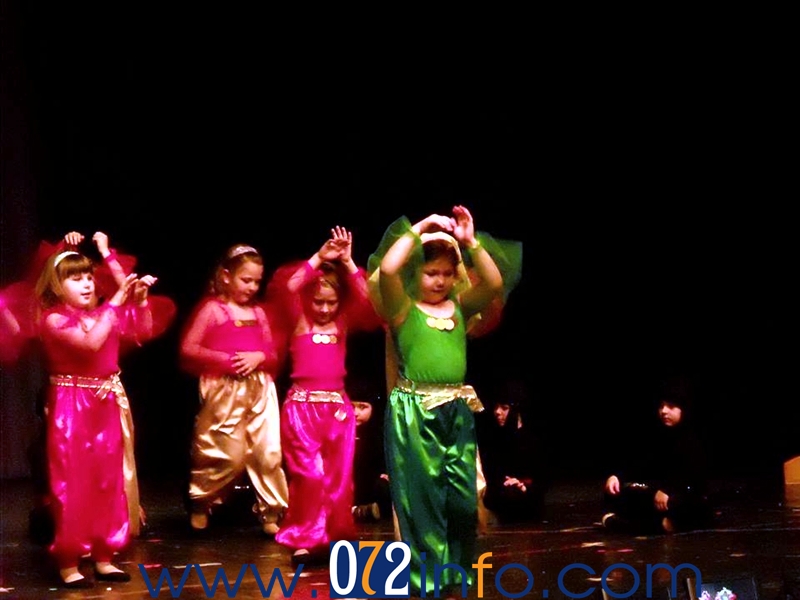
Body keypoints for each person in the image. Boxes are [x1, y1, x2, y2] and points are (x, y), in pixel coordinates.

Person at [366, 205, 522, 597]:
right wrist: (420, 229)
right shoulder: (403, 310)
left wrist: (470, 243)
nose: (439, 280)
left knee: (461, 502)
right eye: (431, 272)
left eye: (447, 273)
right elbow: (388, 269)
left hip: (456, 411)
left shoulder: (459, 308)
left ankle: (454, 572)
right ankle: (426, 579)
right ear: (416, 273)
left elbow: (493, 282)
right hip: (415, 412)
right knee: (424, 502)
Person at [33, 238, 165, 587]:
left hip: (105, 402)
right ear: (56, 285)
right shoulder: (53, 319)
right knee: (73, 482)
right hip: (72, 405)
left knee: (107, 480)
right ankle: (69, 561)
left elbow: (143, 330)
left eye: (89, 276)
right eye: (76, 278)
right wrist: (118, 301)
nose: (87, 283)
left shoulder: (100, 315)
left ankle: (104, 554)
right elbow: (89, 344)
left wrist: (139, 301)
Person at [264, 226, 382, 566]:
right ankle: (305, 538)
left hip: (338, 411)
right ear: (308, 300)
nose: (325, 309)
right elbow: (288, 288)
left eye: (331, 302)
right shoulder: (300, 321)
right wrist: (319, 257)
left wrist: (348, 263)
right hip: (302, 410)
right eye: (318, 301)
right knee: (310, 477)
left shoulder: (341, 322)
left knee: (339, 480)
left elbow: (368, 301)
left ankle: (335, 537)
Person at [179, 243, 289, 536]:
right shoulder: (213, 310)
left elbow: (273, 354)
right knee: (226, 453)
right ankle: (202, 501)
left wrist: (259, 356)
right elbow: (189, 348)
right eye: (246, 280)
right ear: (226, 276)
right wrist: (227, 360)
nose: (252, 287)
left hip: (260, 389)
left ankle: (270, 511)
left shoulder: (259, 313)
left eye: (256, 282)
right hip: (224, 390)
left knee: (268, 452)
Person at [601, 375, 713, 535]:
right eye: (661, 406)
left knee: (687, 506)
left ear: (683, 410)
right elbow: (640, 463)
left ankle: (641, 526)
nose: (664, 411)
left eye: (671, 406)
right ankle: (658, 523)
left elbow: (693, 476)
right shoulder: (658, 435)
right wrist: (617, 476)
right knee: (620, 491)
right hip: (658, 492)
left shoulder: (693, 439)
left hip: (683, 494)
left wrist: (668, 490)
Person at [476, 379, 548, 525]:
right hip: (499, 508)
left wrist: (522, 485)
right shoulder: (492, 440)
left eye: (504, 408)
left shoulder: (532, 441)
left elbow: (542, 480)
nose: (497, 412)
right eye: (496, 407)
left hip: (528, 509)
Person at [348, 375, 391, 523]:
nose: (355, 413)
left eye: (362, 407)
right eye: (351, 406)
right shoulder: (339, 432)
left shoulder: (381, 432)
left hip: (372, 488)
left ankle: (368, 510)